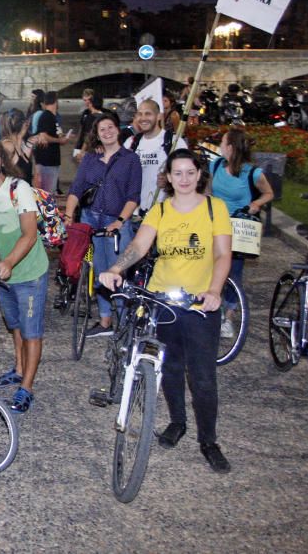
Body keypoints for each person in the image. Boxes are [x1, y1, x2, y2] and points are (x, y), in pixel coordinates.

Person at [99, 149, 233, 474]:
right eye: (178, 173)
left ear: (199, 174)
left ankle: (209, 440)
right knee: (170, 369)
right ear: (169, 177)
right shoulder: (160, 210)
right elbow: (140, 245)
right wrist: (117, 268)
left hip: (200, 305)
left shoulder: (216, 209)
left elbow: (222, 254)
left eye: (190, 172)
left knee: (202, 378)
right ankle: (177, 422)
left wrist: (214, 290)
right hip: (163, 303)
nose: (184, 179)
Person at [0, 141, 50, 413]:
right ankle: (18, 368)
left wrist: (9, 262)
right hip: (4, 274)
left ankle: (26, 388)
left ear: (2, 160)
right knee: (14, 324)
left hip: (29, 273)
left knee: (31, 332)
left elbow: (30, 233)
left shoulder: (18, 189)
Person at [65, 113, 142, 337]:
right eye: (102, 129)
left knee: (119, 269)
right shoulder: (90, 158)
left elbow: (133, 195)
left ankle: (124, 321)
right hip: (90, 217)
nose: (107, 132)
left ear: (118, 130)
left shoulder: (130, 159)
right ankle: (105, 320)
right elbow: (76, 189)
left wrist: (119, 221)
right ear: (97, 135)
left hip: (116, 219)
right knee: (99, 270)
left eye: (110, 127)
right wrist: (69, 215)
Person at [209, 127, 275, 338]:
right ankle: (213, 309)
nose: (220, 145)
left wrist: (256, 203)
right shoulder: (216, 165)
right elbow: (209, 191)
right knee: (210, 269)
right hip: (215, 225)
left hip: (237, 228)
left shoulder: (252, 173)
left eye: (223, 142)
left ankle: (229, 315)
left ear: (230, 147)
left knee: (233, 272)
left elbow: (269, 193)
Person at [126, 99, 187, 214]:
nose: (143, 118)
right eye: (140, 114)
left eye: (148, 114)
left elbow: (189, 177)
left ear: (159, 116)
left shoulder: (175, 142)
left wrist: (170, 181)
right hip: (133, 214)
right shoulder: (130, 142)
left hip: (165, 213)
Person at [30, 91, 72, 195]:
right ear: (55, 102)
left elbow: (53, 134)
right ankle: (46, 211)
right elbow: (43, 135)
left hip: (51, 160)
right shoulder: (46, 116)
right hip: (47, 161)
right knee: (47, 193)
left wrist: (63, 137)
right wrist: (59, 140)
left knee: (49, 191)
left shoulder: (52, 117)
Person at [73, 88, 111, 163]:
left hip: (97, 149)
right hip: (85, 146)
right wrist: (78, 147)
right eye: (85, 100)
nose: (87, 102)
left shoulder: (106, 113)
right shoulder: (85, 113)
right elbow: (82, 130)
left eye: (88, 100)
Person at [0, 109, 34, 184]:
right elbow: (8, 171)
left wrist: (21, 138)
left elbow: (24, 165)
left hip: (23, 192)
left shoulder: (18, 143)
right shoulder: (8, 145)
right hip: (14, 193)